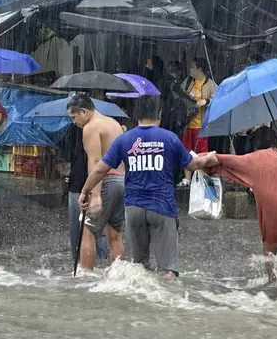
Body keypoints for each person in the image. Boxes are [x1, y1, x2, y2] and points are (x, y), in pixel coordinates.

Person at [78, 95, 218, 279]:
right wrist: (208, 158)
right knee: (168, 270)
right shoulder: (169, 138)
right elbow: (193, 164)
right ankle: (166, 304)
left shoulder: (124, 140)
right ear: (159, 114)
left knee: (138, 269)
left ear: (136, 115)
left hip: (134, 209)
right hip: (162, 207)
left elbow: (99, 170)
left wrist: (85, 191)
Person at [206, 125, 277, 280]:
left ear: (257, 144)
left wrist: (201, 158)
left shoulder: (258, 158)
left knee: (269, 254)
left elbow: (228, 162)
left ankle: (273, 283)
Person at [66, 93, 126, 271]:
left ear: (84, 111)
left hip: (106, 182)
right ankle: (119, 277)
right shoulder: (113, 123)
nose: (73, 122)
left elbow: (95, 161)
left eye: (74, 117)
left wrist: (95, 194)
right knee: (115, 235)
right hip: (122, 181)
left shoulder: (90, 128)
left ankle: (85, 278)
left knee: (88, 232)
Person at [58, 123, 108, 261]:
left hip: (77, 182)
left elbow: (64, 151)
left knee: (76, 227)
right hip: (98, 183)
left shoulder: (72, 128)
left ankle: (79, 260)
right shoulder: (103, 127)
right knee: (97, 226)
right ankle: (101, 260)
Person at [180, 57, 218, 155]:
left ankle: (199, 171)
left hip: (201, 127)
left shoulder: (210, 84)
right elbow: (179, 95)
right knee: (187, 155)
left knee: (201, 154)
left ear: (200, 69)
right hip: (187, 125)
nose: (190, 70)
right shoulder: (188, 81)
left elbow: (219, 98)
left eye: (192, 68)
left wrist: (206, 100)